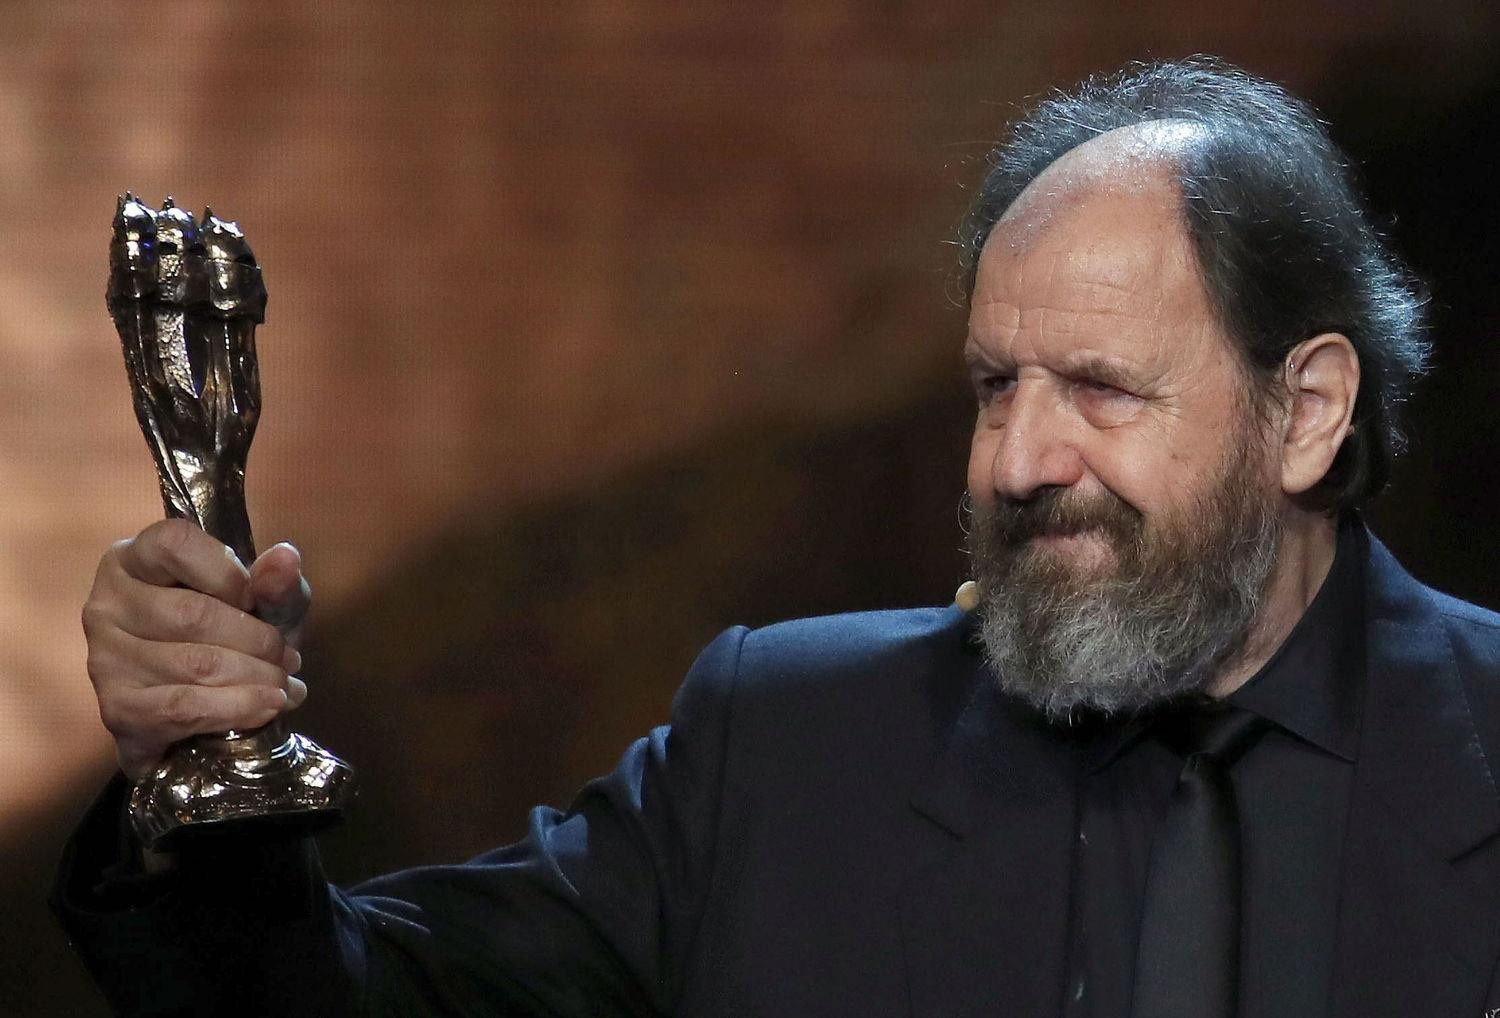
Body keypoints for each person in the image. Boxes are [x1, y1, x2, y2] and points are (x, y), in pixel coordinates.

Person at [52, 56, 1500, 1018]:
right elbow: (349, 996)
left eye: (1102, 391)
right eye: (997, 386)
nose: (1016, 460)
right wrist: (198, 770)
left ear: (1305, 412)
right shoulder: (791, 742)